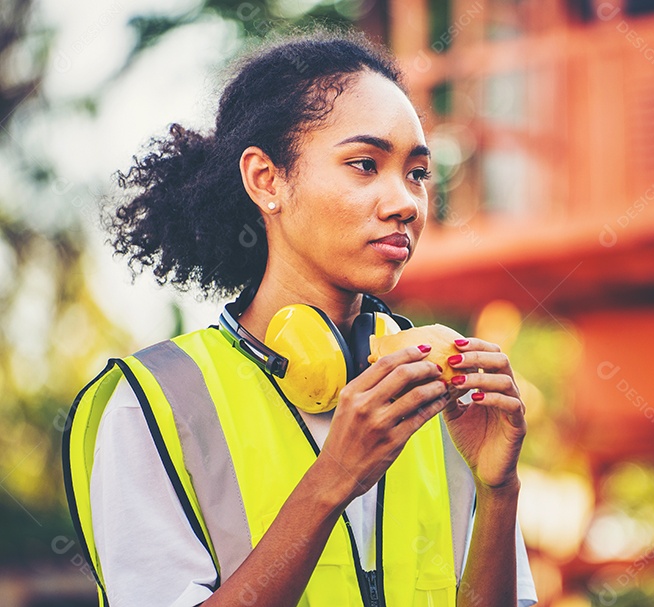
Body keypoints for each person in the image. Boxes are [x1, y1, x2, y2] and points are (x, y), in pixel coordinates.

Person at [62, 31, 537, 607]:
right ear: (267, 179)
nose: (406, 203)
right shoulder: (151, 404)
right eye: (364, 165)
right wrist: (332, 479)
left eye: (416, 172)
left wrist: (499, 490)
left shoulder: (449, 394)